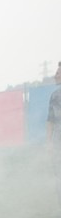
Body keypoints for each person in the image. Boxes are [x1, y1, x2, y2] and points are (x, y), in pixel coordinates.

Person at [46, 61, 61, 210]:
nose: (54, 75)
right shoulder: (55, 95)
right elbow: (50, 120)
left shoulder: (56, 95)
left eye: (57, 73)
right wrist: (49, 142)